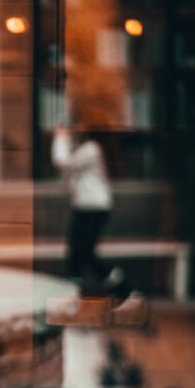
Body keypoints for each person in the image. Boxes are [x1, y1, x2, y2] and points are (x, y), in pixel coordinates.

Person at [51, 123, 130, 300]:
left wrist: (60, 138)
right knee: (75, 252)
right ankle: (75, 290)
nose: (76, 130)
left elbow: (63, 163)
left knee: (84, 251)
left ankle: (120, 284)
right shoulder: (85, 149)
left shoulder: (92, 149)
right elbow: (68, 177)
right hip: (85, 206)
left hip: (94, 207)